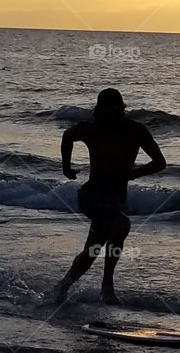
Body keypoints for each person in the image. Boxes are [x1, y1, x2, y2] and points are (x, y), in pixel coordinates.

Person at [54, 88, 166, 305]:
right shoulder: (92, 129)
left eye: (118, 112)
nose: (114, 118)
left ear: (123, 110)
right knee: (121, 224)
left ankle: (63, 285)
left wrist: (133, 174)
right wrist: (66, 168)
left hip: (115, 199)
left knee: (93, 249)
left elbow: (160, 163)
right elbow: (67, 136)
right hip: (92, 196)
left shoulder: (136, 130)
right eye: (108, 113)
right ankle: (107, 287)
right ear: (100, 112)